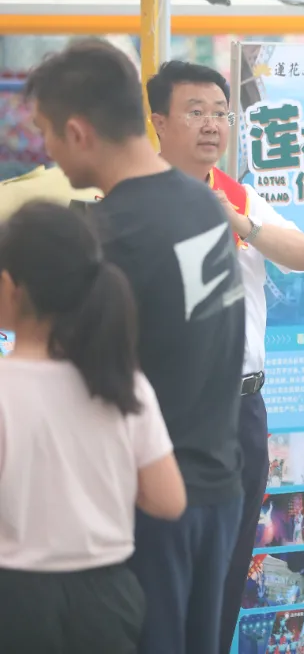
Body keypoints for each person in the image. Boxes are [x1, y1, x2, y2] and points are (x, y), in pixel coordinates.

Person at [23, 38, 247, 654]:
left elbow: (68, 381)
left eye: (45, 132)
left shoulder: (108, 239)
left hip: (148, 502)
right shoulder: (203, 205)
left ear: (77, 131)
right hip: (217, 487)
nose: (45, 150)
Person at [146, 60, 304, 654]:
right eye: (195, 111)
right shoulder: (136, 198)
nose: (212, 125)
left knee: (229, 561)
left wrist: (240, 222)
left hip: (242, 407)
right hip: (166, 410)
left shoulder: (240, 195)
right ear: (158, 121)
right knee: (164, 559)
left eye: (221, 113)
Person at [0, 201, 187, 653]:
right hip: (108, 600)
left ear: (10, 288)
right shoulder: (124, 383)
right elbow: (168, 500)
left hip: (15, 602)